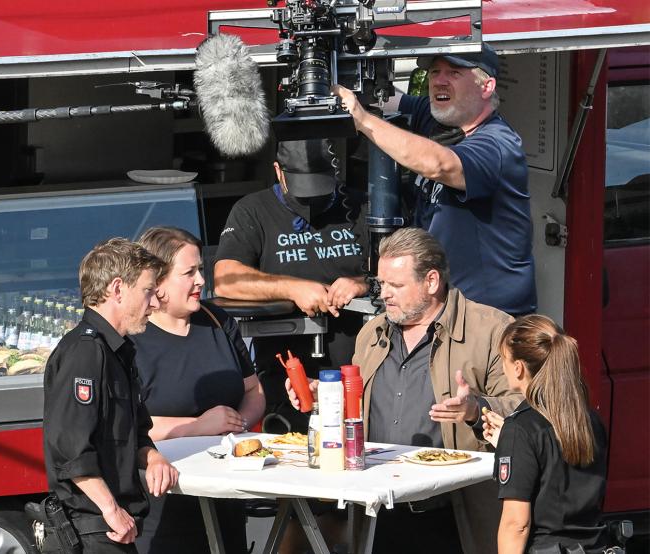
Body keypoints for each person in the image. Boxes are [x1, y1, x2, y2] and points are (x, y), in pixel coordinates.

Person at [287, 227, 522, 554]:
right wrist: (322, 398)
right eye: (382, 284)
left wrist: (476, 408)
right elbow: (357, 406)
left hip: (454, 516)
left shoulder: (491, 329)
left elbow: (527, 408)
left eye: (396, 285)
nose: (384, 294)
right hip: (379, 514)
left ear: (431, 281)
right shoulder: (371, 334)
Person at [332, 43, 537, 316]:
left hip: (489, 319)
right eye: (435, 71)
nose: (439, 80)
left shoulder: (498, 145)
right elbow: (384, 101)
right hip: (443, 312)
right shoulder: (434, 118)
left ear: (486, 87)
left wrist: (362, 119)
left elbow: (438, 165)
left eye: (454, 73)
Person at [215, 138, 369, 432]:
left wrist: (361, 284)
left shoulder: (361, 205)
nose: (311, 197)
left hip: (356, 375)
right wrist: (293, 288)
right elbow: (225, 279)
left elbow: (407, 268)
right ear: (278, 171)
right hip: (287, 378)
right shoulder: (252, 210)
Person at [131, 226, 266, 554]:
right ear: (157, 281)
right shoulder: (133, 337)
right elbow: (127, 423)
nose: (201, 281)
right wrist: (197, 427)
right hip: (163, 501)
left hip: (225, 495)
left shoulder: (217, 320)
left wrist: (239, 426)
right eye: (189, 272)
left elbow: (254, 391)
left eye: (200, 270)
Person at [42, 237, 179, 553]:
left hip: (112, 527)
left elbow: (134, 435)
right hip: (92, 529)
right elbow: (72, 450)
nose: (155, 303)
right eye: (147, 291)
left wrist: (154, 457)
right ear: (118, 289)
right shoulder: (85, 353)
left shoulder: (117, 352)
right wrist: (110, 509)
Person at [483, 315, 614, 554]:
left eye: (504, 359)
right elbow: (558, 464)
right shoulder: (588, 418)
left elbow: (516, 525)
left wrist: (514, 442)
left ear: (518, 367)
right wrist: (510, 444)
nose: (502, 366)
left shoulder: (520, 429)